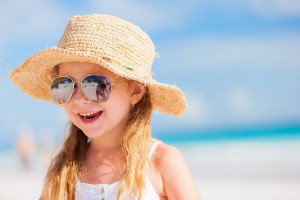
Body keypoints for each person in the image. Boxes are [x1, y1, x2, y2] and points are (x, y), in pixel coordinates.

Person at [9, 14, 201, 200]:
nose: (79, 100)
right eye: (65, 86)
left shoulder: (161, 161)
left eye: (95, 85)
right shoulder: (63, 169)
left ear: (135, 90)